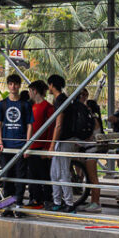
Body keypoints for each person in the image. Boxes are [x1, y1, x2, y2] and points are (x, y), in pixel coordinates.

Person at [48, 74, 79, 211]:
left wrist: (52, 144)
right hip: (63, 140)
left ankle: (69, 204)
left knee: (62, 172)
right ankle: (57, 201)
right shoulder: (61, 99)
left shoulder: (60, 100)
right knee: (55, 173)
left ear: (52, 85)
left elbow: (59, 124)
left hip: (64, 140)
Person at [25, 79, 53, 209]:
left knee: (44, 174)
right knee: (32, 174)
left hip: (41, 147)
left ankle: (46, 198)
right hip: (31, 146)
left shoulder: (47, 107)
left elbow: (51, 129)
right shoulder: (31, 106)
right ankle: (35, 198)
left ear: (34, 91)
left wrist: (48, 148)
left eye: (30, 91)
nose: (29, 93)